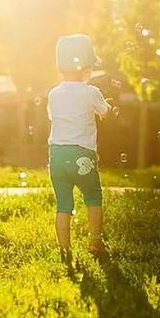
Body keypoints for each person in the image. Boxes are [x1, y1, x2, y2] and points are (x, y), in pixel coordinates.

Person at [47, 34, 111, 265]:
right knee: (93, 197)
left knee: (63, 205)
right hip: (82, 155)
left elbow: (55, 117)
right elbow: (104, 112)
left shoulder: (54, 94)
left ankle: (64, 250)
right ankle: (95, 240)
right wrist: (109, 108)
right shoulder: (91, 92)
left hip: (57, 156)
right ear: (86, 67)